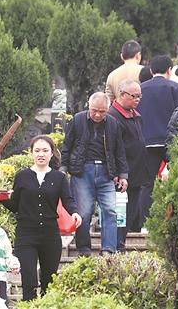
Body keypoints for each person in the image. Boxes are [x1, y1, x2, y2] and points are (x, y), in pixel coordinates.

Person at [1, 135, 80, 301]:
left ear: (51, 153)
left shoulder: (59, 177)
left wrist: (74, 212)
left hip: (50, 234)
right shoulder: (22, 176)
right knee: (28, 280)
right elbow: (14, 205)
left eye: (45, 150)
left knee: (49, 282)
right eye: (37, 150)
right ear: (31, 153)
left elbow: (68, 200)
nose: (41, 154)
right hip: (26, 234)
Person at [60, 93, 128, 257]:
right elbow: (67, 145)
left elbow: (119, 150)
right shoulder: (78, 120)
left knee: (110, 210)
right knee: (83, 212)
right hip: (82, 171)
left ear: (108, 109)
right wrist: (63, 168)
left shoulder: (113, 123)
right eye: (94, 110)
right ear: (88, 106)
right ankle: (84, 249)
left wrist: (123, 174)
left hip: (106, 172)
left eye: (102, 111)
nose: (97, 115)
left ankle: (108, 249)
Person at [108, 80, 150, 252]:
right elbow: (112, 149)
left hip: (136, 173)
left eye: (139, 96)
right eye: (134, 96)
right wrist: (118, 173)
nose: (137, 99)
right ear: (122, 94)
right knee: (119, 214)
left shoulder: (134, 114)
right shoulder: (112, 116)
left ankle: (121, 244)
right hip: (122, 176)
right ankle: (116, 246)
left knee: (130, 213)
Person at [137, 55, 178, 204]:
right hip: (170, 141)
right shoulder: (175, 87)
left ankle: (144, 218)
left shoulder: (141, 88)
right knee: (177, 180)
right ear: (169, 70)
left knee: (147, 184)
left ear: (151, 71)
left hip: (147, 141)